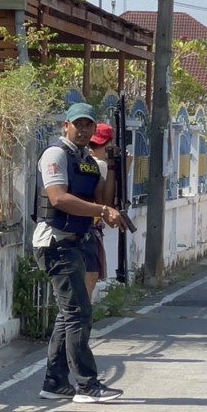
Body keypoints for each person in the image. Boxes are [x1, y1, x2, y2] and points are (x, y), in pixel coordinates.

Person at [34, 103, 126, 404]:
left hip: (76, 241)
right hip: (55, 242)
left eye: (89, 125)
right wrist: (102, 210)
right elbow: (58, 198)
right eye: (78, 124)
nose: (84, 130)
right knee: (79, 314)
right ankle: (87, 385)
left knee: (70, 315)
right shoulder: (55, 155)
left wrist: (113, 167)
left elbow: (103, 197)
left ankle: (55, 382)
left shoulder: (86, 159)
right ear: (66, 126)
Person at [86, 123, 118, 300]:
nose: (96, 149)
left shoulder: (83, 161)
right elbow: (108, 201)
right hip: (90, 228)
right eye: (95, 145)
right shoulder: (101, 165)